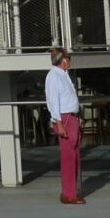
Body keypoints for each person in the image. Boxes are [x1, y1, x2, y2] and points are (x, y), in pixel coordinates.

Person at [45, 47, 84, 205]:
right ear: (63, 60)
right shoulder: (54, 76)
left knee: (74, 157)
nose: (70, 61)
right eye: (68, 58)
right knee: (68, 157)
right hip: (65, 118)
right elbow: (53, 100)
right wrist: (59, 122)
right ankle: (69, 193)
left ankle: (70, 191)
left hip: (71, 117)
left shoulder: (63, 75)